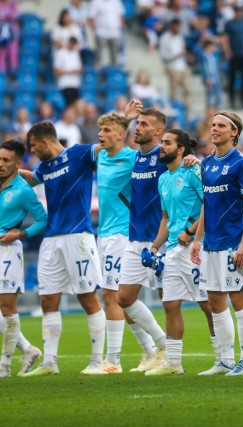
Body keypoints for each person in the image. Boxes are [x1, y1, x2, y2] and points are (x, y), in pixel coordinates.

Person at [19, 122, 106, 376]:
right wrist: (14, 170)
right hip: (51, 239)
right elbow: (33, 177)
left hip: (78, 237)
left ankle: (97, 360)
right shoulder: (45, 167)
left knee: (87, 297)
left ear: (45, 142)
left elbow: (106, 147)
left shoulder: (79, 154)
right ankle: (50, 362)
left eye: (34, 147)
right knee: (48, 299)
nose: (33, 152)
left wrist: (125, 118)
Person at [191, 112, 243, 376]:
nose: (214, 129)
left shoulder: (241, 163)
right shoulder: (206, 164)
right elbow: (207, 204)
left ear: (234, 133)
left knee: (239, 300)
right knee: (215, 300)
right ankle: (225, 361)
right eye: (213, 125)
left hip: (233, 244)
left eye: (221, 125)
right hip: (211, 245)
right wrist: (198, 239)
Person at [79, 111, 143, 375]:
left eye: (106, 131)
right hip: (103, 233)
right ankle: (152, 349)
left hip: (122, 234)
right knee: (122, 301)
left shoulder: (133, 158)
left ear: (120, 134)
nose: (100, 135)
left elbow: (161, 163)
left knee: (111, 295)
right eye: (100, 130)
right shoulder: (101, 157)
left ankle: (113, 361)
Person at [144, 129, 206, 376]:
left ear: (181, 149)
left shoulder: (193, 171)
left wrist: (190, 232)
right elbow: (165, 218)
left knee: (208, 304)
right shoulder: (162, 179)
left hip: (194, 247)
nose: (161, 146)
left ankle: (224, 359)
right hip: (172, 249)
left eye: (166, 143)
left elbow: (209, 204)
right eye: (161, 142)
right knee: (170, 304)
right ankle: (173, 362)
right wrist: (154, 246)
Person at [117, 107, 170, 373]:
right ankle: (161, 347)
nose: (137, 128)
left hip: (161, 240)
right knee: (124, 298)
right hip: (135, 240)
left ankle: (220, 356)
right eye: (137, 123)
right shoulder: (134, 158)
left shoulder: (165, 156)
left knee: (169, 300)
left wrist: (194, 161)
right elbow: (112, 142)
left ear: (158, 132)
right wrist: (125, 118)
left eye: (143, 124)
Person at [0, 140, 46, 378]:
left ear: (18, 163)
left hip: (8, 250)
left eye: (6, 160)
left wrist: (19, 233)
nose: (0, 164)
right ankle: (28, 349)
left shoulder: (23, 190)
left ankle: (4, 366)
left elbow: (43, 219)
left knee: (8, 309)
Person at [220, 5, 243, 109]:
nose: (238, 13)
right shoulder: (229, 24)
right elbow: (225, 38)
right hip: (234, 54)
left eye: (240, 11)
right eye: (237, 11)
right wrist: (227, 51)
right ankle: (232, 100)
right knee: (232, 78)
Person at [159, 19, 191, 108]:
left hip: (182, 66)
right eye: (176, 26)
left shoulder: (180, 37)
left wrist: (183, 55)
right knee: (174, 91)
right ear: (171, 26)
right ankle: (174, 108)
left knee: (188, 89)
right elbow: (163, 55)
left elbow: (183, 49)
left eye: (179, 26)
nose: (177, 28)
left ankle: (185, 107)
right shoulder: (164, 38)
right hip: (172, 67)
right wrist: (176, 55)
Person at [88, 0, 125, 66]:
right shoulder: (96, 2)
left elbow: (121, 16)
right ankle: (98, 71)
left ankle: (113, 71)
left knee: (114, 55)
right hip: (101, 33)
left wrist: (120, 27)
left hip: (115, 33)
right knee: (99, 55)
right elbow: (92, 16)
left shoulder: (116, 2)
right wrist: (94, 30)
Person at [54, 36, 83, 108]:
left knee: (76, 105)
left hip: (75, 84)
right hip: (65, 84)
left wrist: (75, 71)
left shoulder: (76, 53)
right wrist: (69, 71)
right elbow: (56, 71)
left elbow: (80, 69)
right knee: (69, 105)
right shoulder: (60, 53)